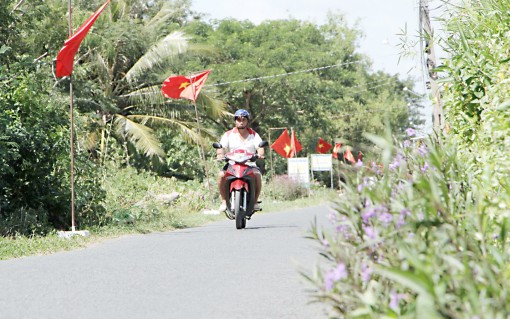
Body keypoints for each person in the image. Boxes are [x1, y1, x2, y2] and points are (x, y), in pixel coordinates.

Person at [217, 109, 265, 212]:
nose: (241, 122)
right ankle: (224, 201)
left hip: (249, 164)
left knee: (257, 175)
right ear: (235, 121)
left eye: (243, 119)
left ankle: (255, 201)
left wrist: (260, 154)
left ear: (247, 121)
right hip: (232, 164)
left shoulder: (254, 134)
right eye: (238, 119)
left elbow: (260, 147)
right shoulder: (228, 134)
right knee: (221, 175)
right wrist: (220, 154)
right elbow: (221, 146)